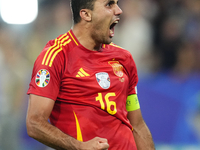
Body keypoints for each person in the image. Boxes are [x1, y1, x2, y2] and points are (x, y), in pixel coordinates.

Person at [26, 0, 155, 149]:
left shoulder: (124, 58)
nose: (119, 10)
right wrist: (79, 146)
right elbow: (34, 123)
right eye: (109, 4)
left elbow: (137, 124)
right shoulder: (55, 57)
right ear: (86, 14)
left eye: (117, 3)